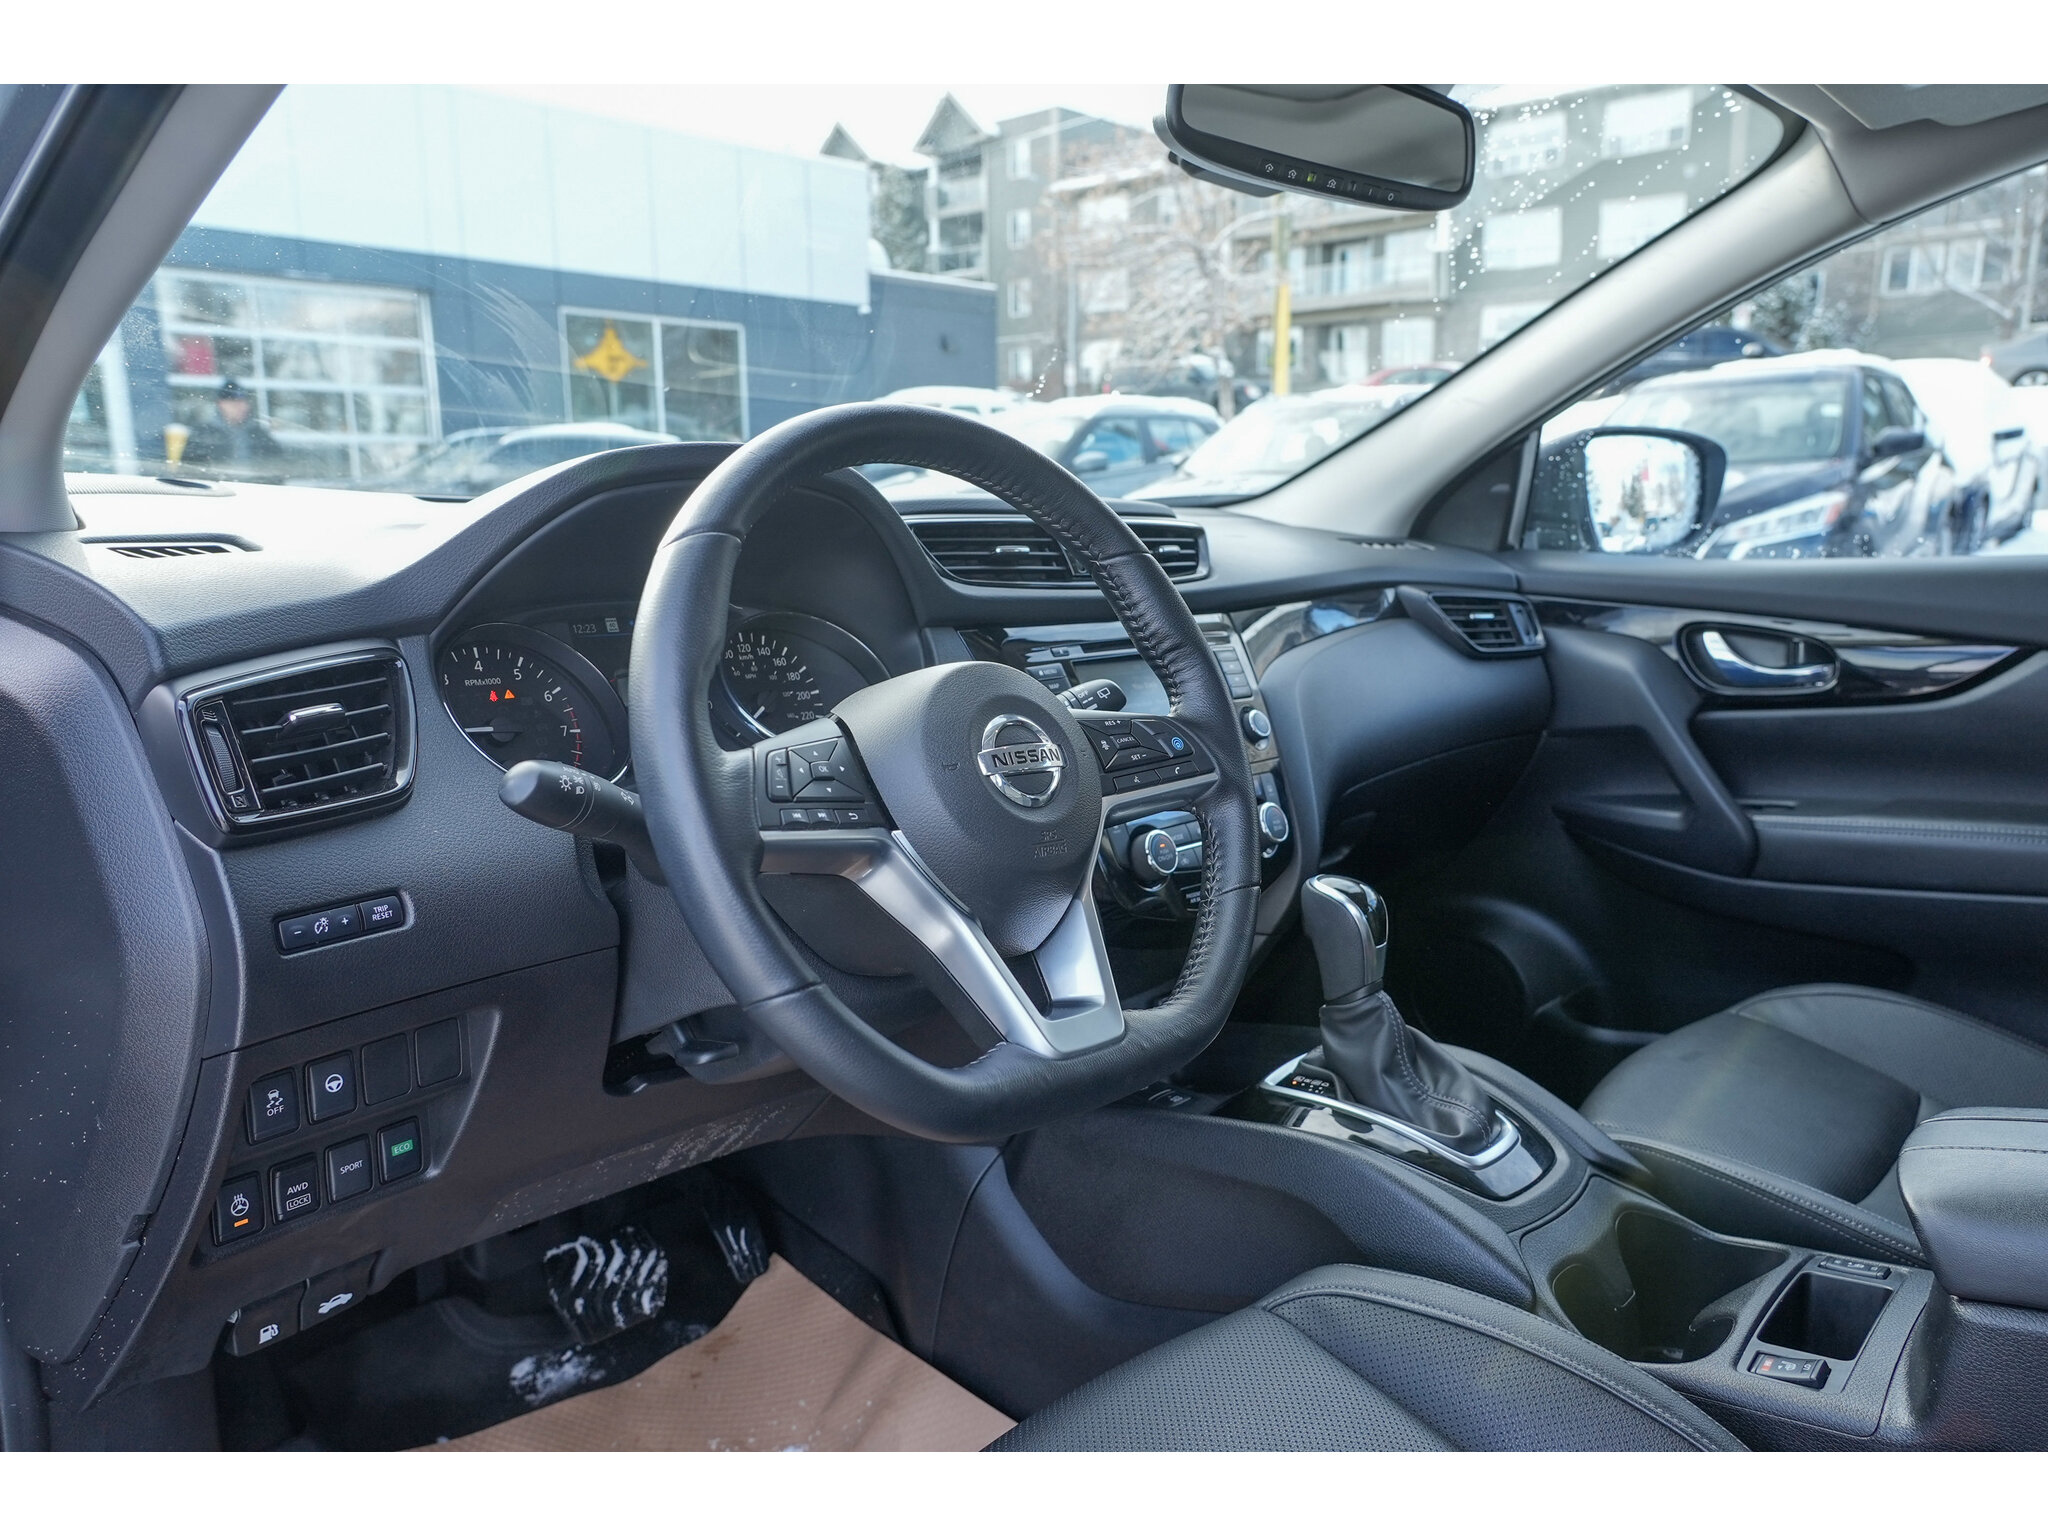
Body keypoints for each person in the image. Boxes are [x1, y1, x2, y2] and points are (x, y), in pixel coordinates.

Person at [181, 380, 285, 478]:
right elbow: (190, 469)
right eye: (234, 403)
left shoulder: (258, 433)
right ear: (220, 404)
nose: (241, 407)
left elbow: (277, 464)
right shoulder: (203, 433)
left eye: (243, 402)